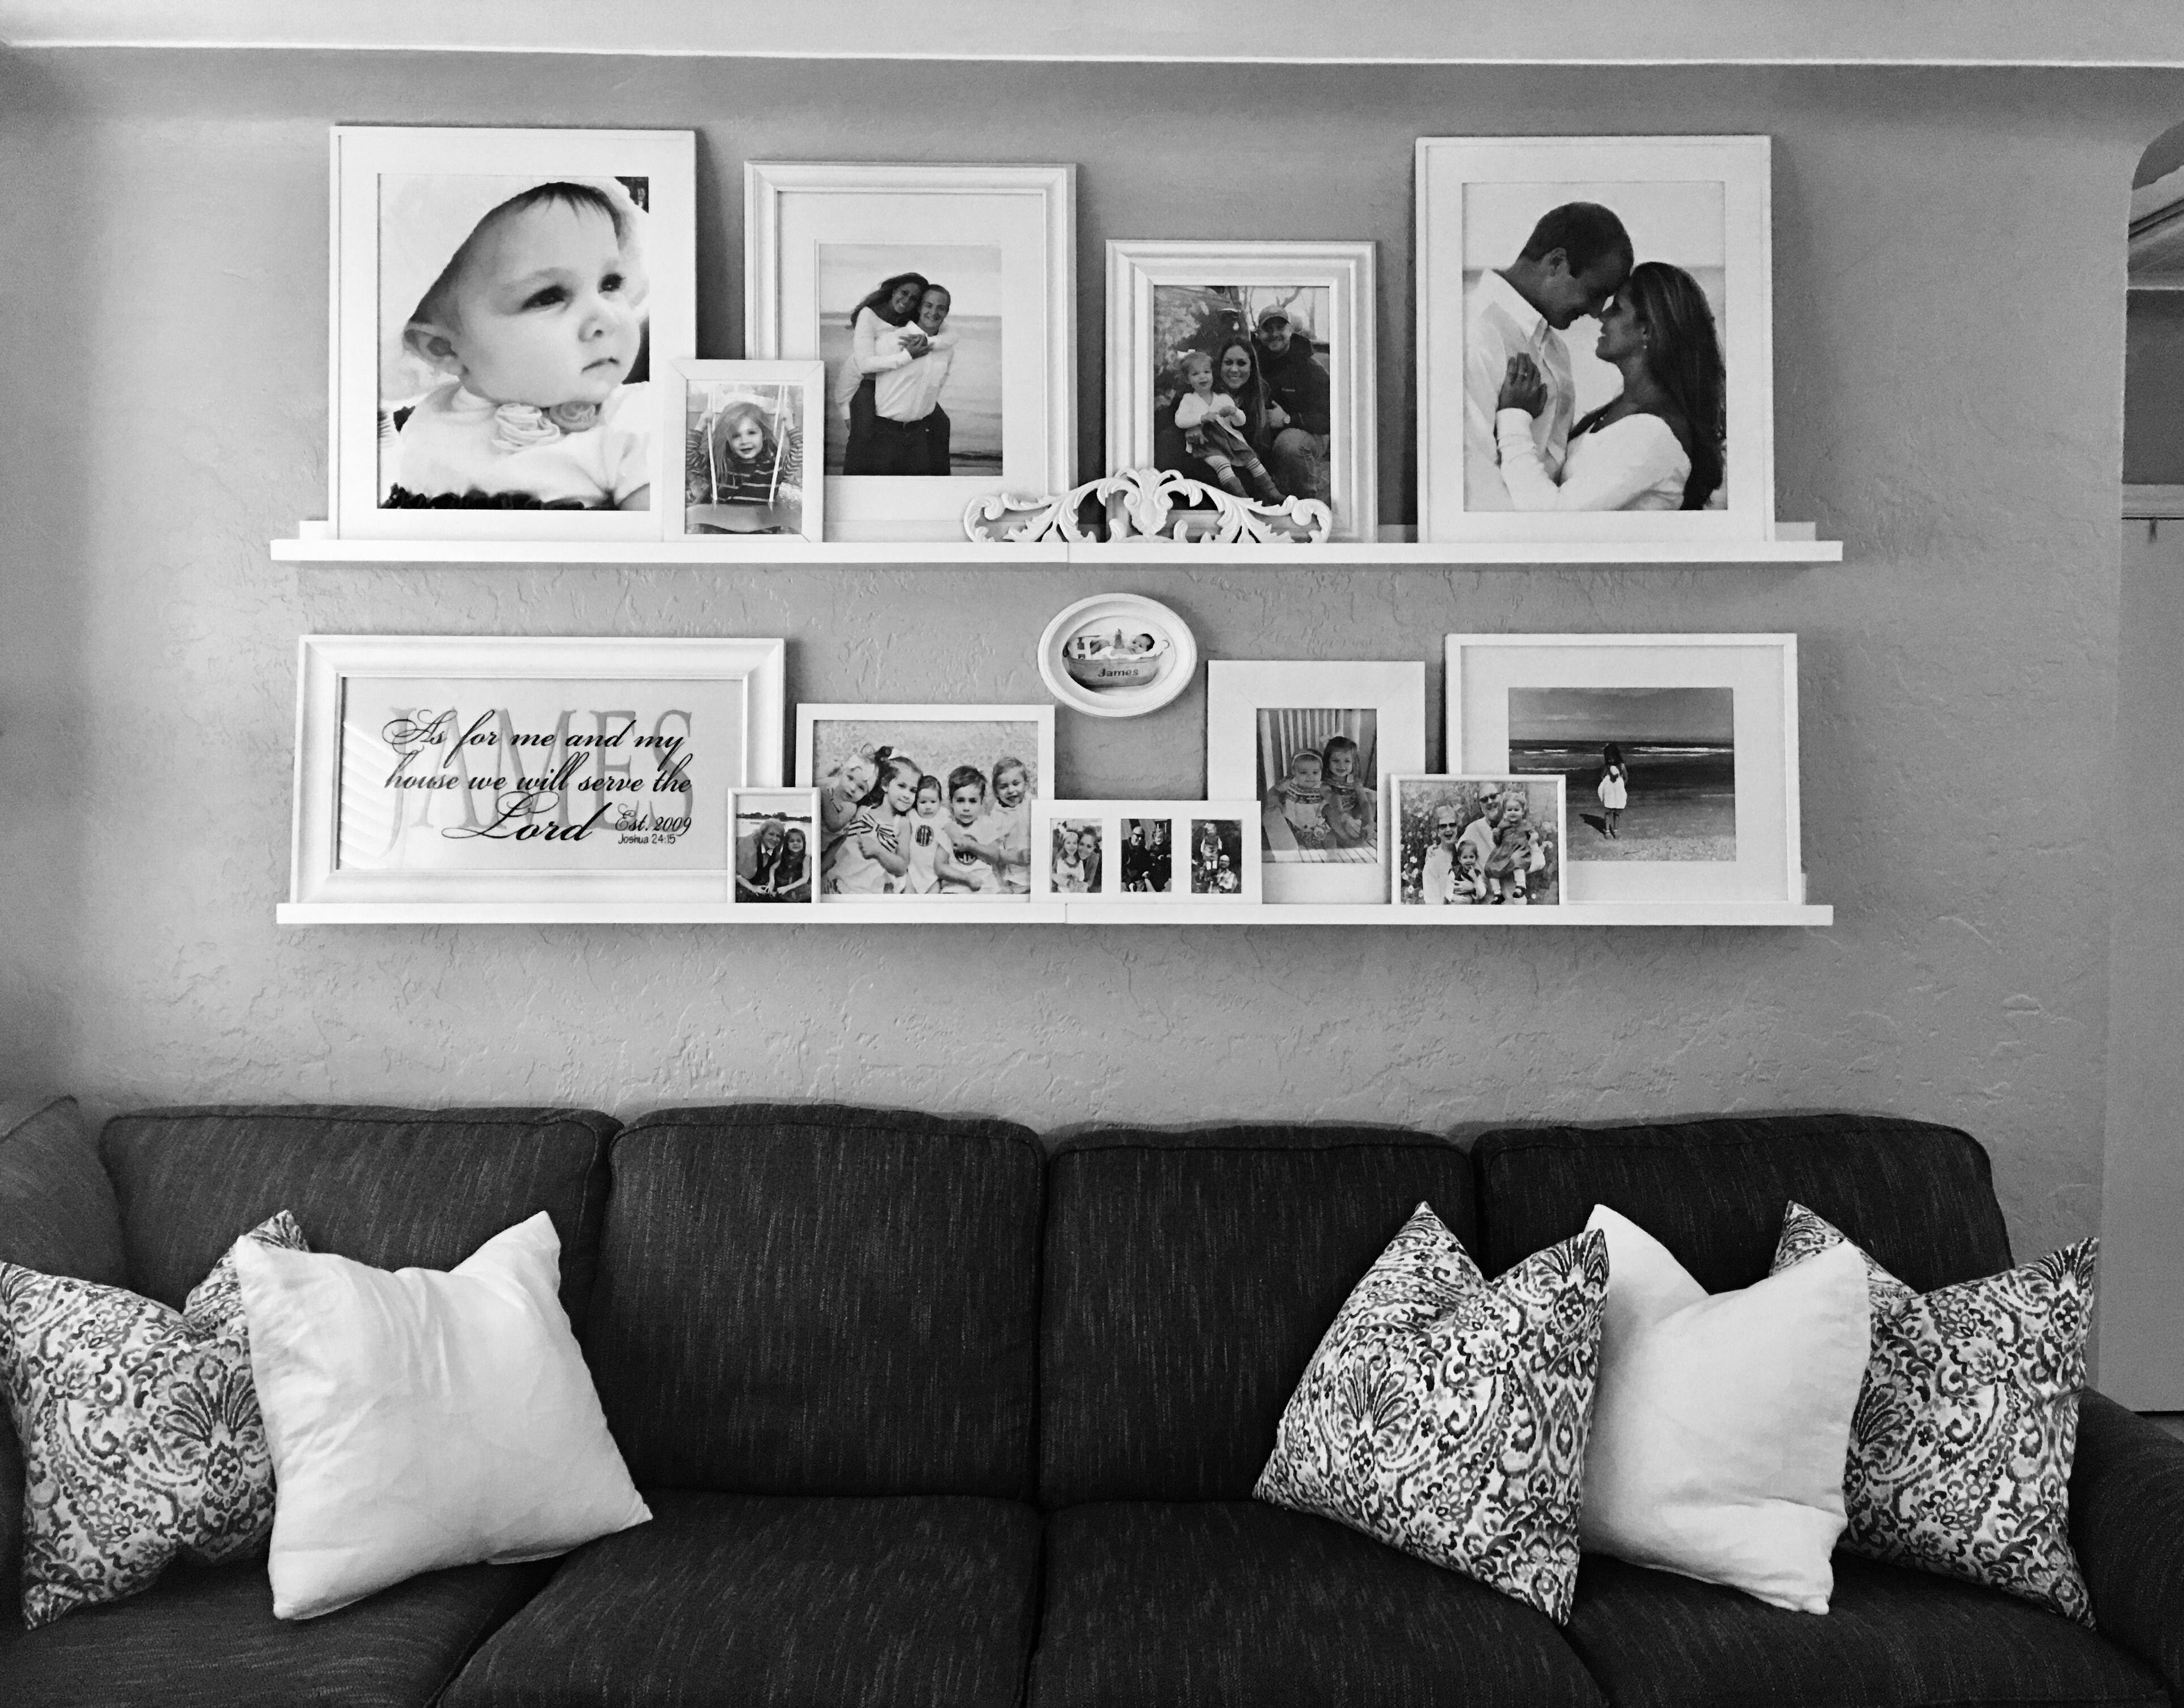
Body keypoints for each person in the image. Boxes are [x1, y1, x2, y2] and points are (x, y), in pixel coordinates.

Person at [386, 180, 653, 509]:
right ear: (443, 348)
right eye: (549, 297)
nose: (607, 319)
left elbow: (661, 542)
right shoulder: (428, 423)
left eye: (610, 284)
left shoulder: (633, 423)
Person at [1494, 260, 1725, 511]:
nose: (1601, 316)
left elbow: (1552, 515)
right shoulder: (1624, 411)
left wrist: (1515, 417)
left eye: (1617, 308)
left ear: (1647, 330)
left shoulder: (1653, 435)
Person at [1462, 201, 1632, 512]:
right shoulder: (1475, 331)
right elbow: (1474, 481)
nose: (1597, 312)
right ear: (1556, 263)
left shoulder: (1555, 349)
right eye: (1595, 293)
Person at [861, 282, 959, 476]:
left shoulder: (946, 351)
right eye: (928, 306)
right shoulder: (893, 340)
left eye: (940, 308)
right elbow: (864, 370)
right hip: (885, 435)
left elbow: (937, 387)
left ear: (947, 312)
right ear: (920, 308)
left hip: (919, 436)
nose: (934, 312)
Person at [837, 272, 928, 475]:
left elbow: (937, 332)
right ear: (894, 290)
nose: (906, 301)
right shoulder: (869, 315)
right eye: (904, 293)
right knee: (863, 443)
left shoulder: (910, 321)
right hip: (863, 384)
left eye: (914, 299)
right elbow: (864, 365)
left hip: (892, 384)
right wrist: (907, 356)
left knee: (939, 424)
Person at [1173, 350, 1283, 503]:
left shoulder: (1223, 398)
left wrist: (1234, 412)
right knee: (1221, 464)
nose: (1203, 377)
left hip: (1230, 441)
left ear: (1213, 374)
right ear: (1187, 379)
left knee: (1252, 460)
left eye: (1207, 372)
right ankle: (1243, 499)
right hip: (1207, 444)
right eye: (1196, 374)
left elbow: (1240, 423)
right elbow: (1180, 420)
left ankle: (1272, 492)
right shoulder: (1188, 400)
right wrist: (1200, 419)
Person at [1252, 304, 1332, 504]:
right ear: (1258, 334)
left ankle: (1305, 504)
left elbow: (1329, 418)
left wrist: (1287, 420)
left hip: (1306, 432)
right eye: (1268, 329)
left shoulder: (1311, 368)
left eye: (1280, 328)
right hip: (1264, 432)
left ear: (1290, 330)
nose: (1274, 334)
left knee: (1290, 445)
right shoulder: (1252, 363)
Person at [687, 398, 801, 532]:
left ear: (764, 435)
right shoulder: (720, 467)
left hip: (759, 536)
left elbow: (800, 452)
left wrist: (790, 426)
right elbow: (688, 455)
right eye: (736, 436)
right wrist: (701, 425)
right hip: (721, 536)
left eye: (751, 433)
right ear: (728, 440)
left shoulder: (773, 468)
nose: (744, 441)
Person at [825, 752, 919, 895]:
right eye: (902, 786)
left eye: (913, 791)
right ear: (885, 785)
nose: (907, 795)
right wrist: (819, 871)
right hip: (841, 881)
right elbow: (840, 844)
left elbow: (901, 867)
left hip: (869, 891)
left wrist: (879, 850)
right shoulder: (863, 811)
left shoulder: (902, 824)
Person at [1262, 745, 1334, 855]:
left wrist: (1331, 799)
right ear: (1294, 772)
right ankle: (1294, 854)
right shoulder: (1290, 783)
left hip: (1315, 826)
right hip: (1293, 824)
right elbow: (1275, 790)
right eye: (1303, 773)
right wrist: (1275, 799)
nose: (1310, 777)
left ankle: (1332, 856)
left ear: (1321, 772)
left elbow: (1330, 795)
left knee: (1330, 838)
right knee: (1281, 831)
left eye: (1315, 773)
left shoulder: (1321, 787)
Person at [1319, 733, 1376, 851]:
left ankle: (1366, 830)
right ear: (1328, 762)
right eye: (1336, 760)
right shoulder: (1325, 781)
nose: (1342, 765)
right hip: (1333, 814)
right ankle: (1347, 839)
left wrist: (1369, 820)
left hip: (1351, 811)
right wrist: (1340, 813)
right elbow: (1331, 797)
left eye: (1347, 761)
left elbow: (1364, 802)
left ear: (1353, 763)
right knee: (1328, 809)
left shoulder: (1354, 781)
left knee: (1370, 797)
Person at [736, 819, 787, 901]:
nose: (775, 839)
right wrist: (753, 888)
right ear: (762, 834)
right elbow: (735, 873)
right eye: (771, 834)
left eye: (778, 836)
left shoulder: (776, 853)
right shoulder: (749, 847)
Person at [1597, 741, 1629, 838]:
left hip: (1618, 791)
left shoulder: (1621, 767)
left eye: (1611, 758)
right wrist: (1606, 784)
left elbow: (1626, 778)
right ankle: (1607, 830)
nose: (1610, 760)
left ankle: (1616, 830)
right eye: (1608, 758)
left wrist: (1621, 786)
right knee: (1608, 810)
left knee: (1617, 811)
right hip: (1610, 791)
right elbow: (1602, 776)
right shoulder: (1607, 767)